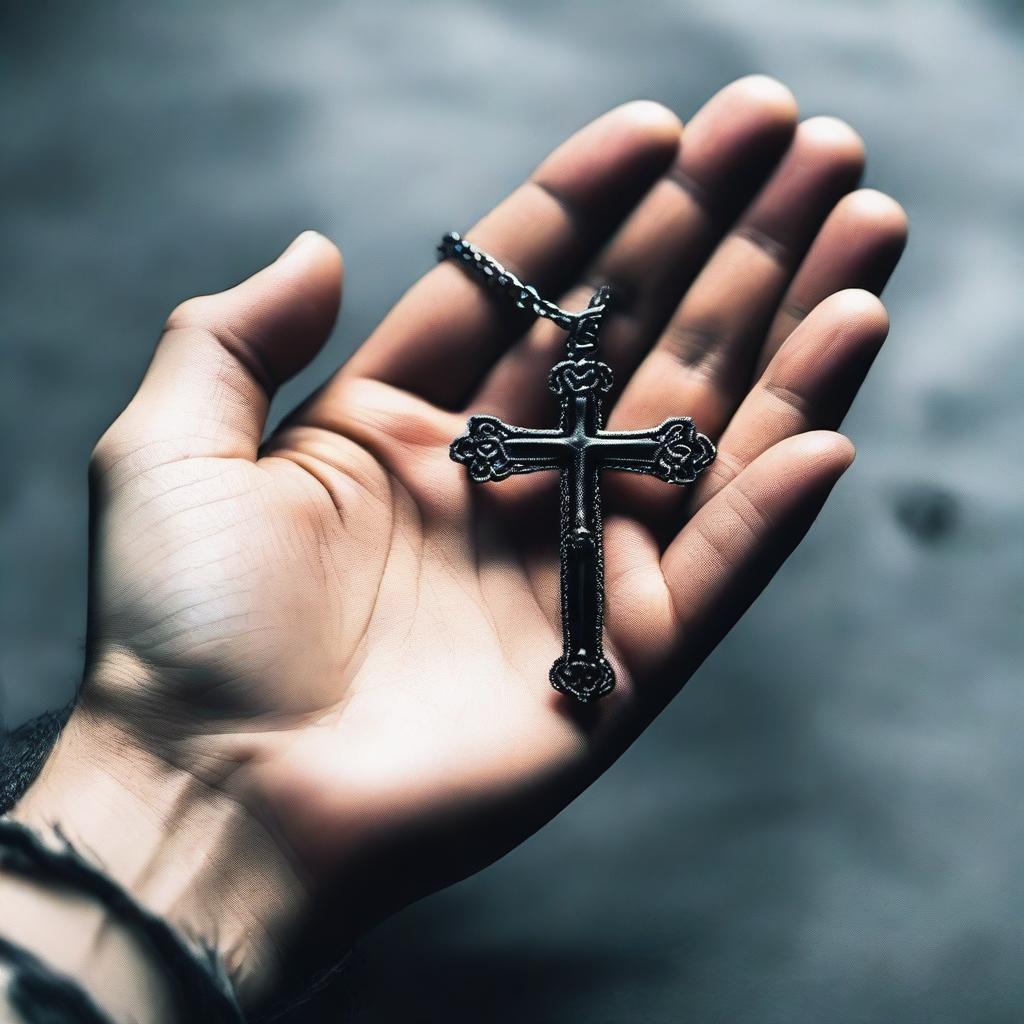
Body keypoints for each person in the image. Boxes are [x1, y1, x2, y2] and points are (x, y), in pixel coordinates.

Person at [0, 76, 906, 1023]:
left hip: (587, 512)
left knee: (596, 541)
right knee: (592, 542)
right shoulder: (532, 441)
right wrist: (167, 754)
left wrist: (156, 789)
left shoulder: (606, 440)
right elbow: (503, 447)